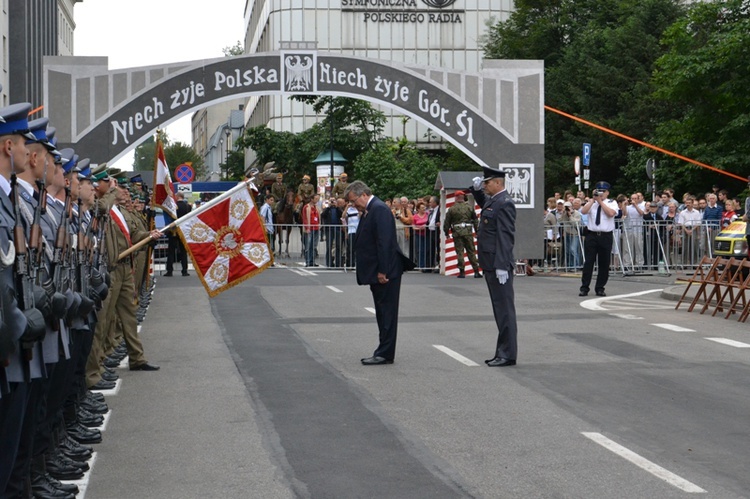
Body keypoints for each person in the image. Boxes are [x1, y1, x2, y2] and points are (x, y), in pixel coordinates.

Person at [344, 180, 405, 365]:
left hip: (385, 272)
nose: (354, 205)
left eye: (354, 201)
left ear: (363, 194)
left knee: (387, 313)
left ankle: (385, 353)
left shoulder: (378, 209)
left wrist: (382, 270)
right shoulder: (371, 209)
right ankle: (383, 349)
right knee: (382, 311)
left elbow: (385, 242)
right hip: (378, 271)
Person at [468, 167, 517, 367]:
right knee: (499, 310)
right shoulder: (494, 201)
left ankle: (507, 354)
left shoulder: (504, 203)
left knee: (504, 311)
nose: (485, 185)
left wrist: (502, 265)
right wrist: (476, 189)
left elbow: (505, 237)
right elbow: (484, 205)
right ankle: (502, 352)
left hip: (498, 264)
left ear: (497, 182)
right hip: (491, 264)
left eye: (487, 183)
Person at [579, 181, 618, 297]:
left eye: (603, 192)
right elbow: (583, 211)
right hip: (592, 235)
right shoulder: (592, 203)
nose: (600, 193)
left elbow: (611, 213)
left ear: (607, 193)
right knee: (589, 262)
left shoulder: (611, 202)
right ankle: (584, 287)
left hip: (605, 236)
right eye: (598, 191)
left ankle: (600, 287)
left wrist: (600, 202)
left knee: (604, 263)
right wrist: (592, 200)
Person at [443, 190, 481, 278]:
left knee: (460, 252)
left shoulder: (452, 209)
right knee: (471, 251)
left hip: (457, 232)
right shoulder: (470, 207)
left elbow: (447, 222)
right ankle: (476, 271)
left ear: (456, 198)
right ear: (463, 197)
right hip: (468, 232)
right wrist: (477, 231)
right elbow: (475, 220)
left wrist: (446, 233)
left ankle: (462, 272)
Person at [165, 192, 191, 276]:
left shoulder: (174, 206)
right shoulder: (187, 206)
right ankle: (184, 270)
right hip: (183, 231)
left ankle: (169, 271)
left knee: (171, 251)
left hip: (173, 231)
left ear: (178, 197)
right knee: (183, 251)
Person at [301, 196, 320, 267]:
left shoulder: (317, 207)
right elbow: (305, 218)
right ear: (311, 199)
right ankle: (308, 261)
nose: (317, 200)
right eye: (316, 199)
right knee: (308, 245)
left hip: (316, 228)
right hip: (310, 228)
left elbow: (318, 217)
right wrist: (307, 227)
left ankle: (312, 261)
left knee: (314, 245)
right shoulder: (306, 207)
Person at [412, 201, 429, 270]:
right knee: (420, 250)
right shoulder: (415, 216)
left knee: (427, 249)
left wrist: (425, 226)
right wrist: (419, 228)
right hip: (418, 234)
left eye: (424, 207)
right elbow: (413, 226)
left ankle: (427, 265)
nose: (423, 209)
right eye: (422, 208)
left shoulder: (428, 214)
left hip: (427, 234)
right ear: (418, 209)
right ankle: (421, 265)